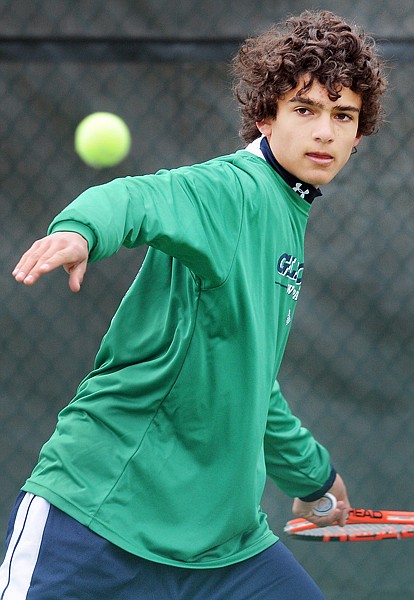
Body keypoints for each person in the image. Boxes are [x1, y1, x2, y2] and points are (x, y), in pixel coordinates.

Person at [1, 10, 386, 600]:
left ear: (359, 136)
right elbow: (140, 198)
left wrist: (314, 476)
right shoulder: (234, 190)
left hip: (222, 549)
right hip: (100, 519)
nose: (324, 132)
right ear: (265, 116)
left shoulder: (287, 213)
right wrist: (81, 231)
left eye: (343, 116)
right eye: (304, 110)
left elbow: (249, 375)